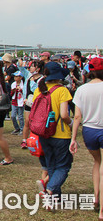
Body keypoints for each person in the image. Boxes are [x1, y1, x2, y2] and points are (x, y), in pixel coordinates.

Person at [70, 57, 103, 217]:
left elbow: (77, 117)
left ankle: (96, 197)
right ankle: (102, 209)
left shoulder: (82, 89)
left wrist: (73, 138)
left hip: (89, 131)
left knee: (97, 162)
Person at [34, 61, 72, 199]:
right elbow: (64, 115)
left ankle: (55, 196)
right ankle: (49, 189)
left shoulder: (39, 89)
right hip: (60, 134)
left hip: (43, 132)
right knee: (63, 166)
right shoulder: (62, 90)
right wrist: (72, 124)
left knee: (51, 164)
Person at [23, 60, 45, 149]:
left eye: (32, 66)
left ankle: (36, 140)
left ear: (38, 69)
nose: (30, 68)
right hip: (28, 103)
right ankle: (24, 140)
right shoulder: (29, 78)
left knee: (36, 122)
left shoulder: (42, 79)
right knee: (27, 121)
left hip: (37, 103)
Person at [10, 71, 25, 135]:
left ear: (20, 77)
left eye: (17, 76)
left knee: (20, 116)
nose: (15, 78)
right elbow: (11, 94)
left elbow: (24, 93)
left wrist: (20, 90)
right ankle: (17, 128)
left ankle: (22, 129)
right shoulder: (13, 84)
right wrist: (13, 90)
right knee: (13, 116)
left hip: (21, 101)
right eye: (15, 76)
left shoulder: (24, 84)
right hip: (14, 101)